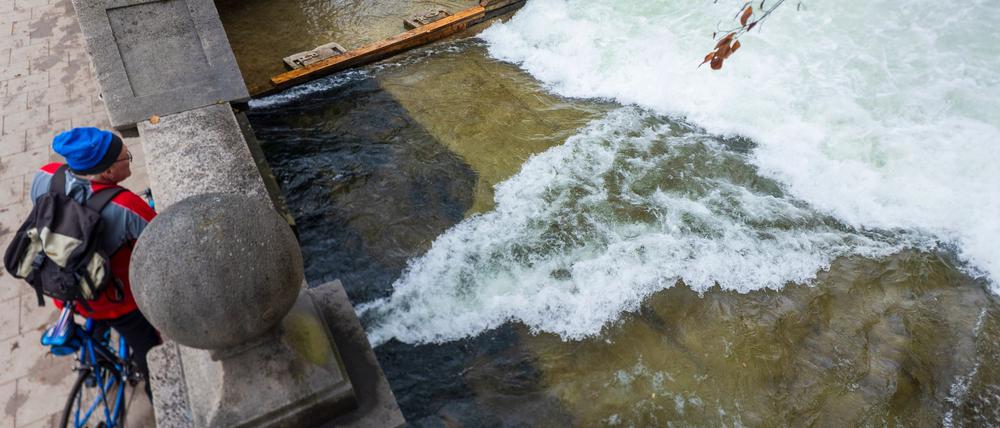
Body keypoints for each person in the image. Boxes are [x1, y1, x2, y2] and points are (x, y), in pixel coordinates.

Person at [29, 127, 161, 397]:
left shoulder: (45, 175)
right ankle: (158, 394)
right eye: (127, 157)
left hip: (63, 290)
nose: (129, 160)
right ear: (109, 172)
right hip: (118, 303)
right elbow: (162, 246)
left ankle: (94, 366)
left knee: (94, 324)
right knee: (153, 356)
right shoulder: (126, 206)